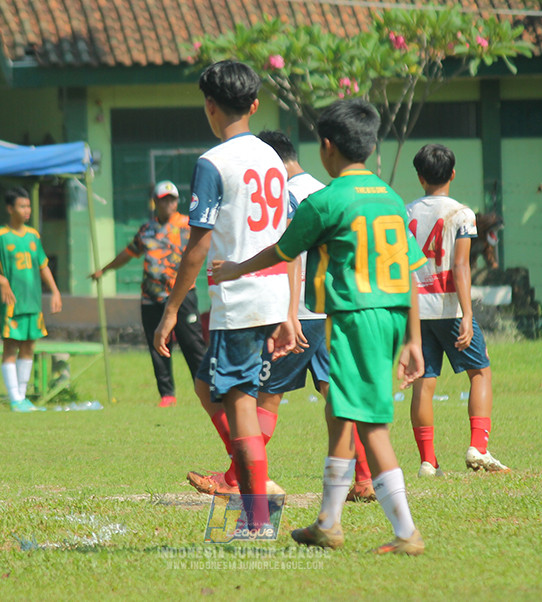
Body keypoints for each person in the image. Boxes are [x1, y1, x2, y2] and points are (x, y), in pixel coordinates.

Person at [212, 98, 428, 555]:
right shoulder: (389, 196)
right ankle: (328, 522)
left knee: (371, 427)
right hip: (388, 318)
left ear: (327, 147)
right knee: (339, 418)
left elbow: (282, 251)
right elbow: (410, 270)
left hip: (354, 319)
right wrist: (412, 338)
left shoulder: (325, 201)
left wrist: (234, 269)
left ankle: (407, 532)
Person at [185, 130, 376, 503]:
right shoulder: (325, 190)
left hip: (293, 310)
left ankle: (241, 478)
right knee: (336, 396)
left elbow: (286, 250)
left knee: (261, 400)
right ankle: (366, 478)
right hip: (329, 309)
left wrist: (279, 303)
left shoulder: (288, 195)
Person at [153, 60, 293, 533]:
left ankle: (256, 517)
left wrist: (171, 310)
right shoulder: (273, 158)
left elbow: (198, 246)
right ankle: (252, 499)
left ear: (209, 106)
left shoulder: (213, 163)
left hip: (240, 298)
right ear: (254, 105)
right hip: (276, 295)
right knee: (231, 394)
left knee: (237, 403)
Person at [406, 143, 509, 475]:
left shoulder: (404, 212)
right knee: (480, 371)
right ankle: (478, 447)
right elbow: (461, 265)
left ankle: (426, 460)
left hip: (417, 310)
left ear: (420, 176)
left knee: (424, 380)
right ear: (452, 174)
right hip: (449, 307)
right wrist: (467, 313)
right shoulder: (462, 214)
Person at [89, 180, 206, 408]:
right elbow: (129, 253)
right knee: (158, 346)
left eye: (172, 199)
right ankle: (167, 394)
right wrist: (105, 269)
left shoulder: (187, 225)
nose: (169, 204)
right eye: (164, 200)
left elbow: (205, 247)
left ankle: (204, 389)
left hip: (182, 295)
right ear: (156, 202)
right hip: (151, 298)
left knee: (193, 345)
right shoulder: (147, 229)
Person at [0, 185, 63, 412]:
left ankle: (22, 397)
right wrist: (3, 282)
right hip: (13, 304)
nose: (26, 210)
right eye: (21, 206)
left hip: (32, 301)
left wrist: (54, 291)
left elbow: (42, 265)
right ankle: (14, 398)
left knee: (28, 347)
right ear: (9, 208)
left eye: (28, 206)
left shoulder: (33, 235)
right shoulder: (0, 236)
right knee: (10, 347)